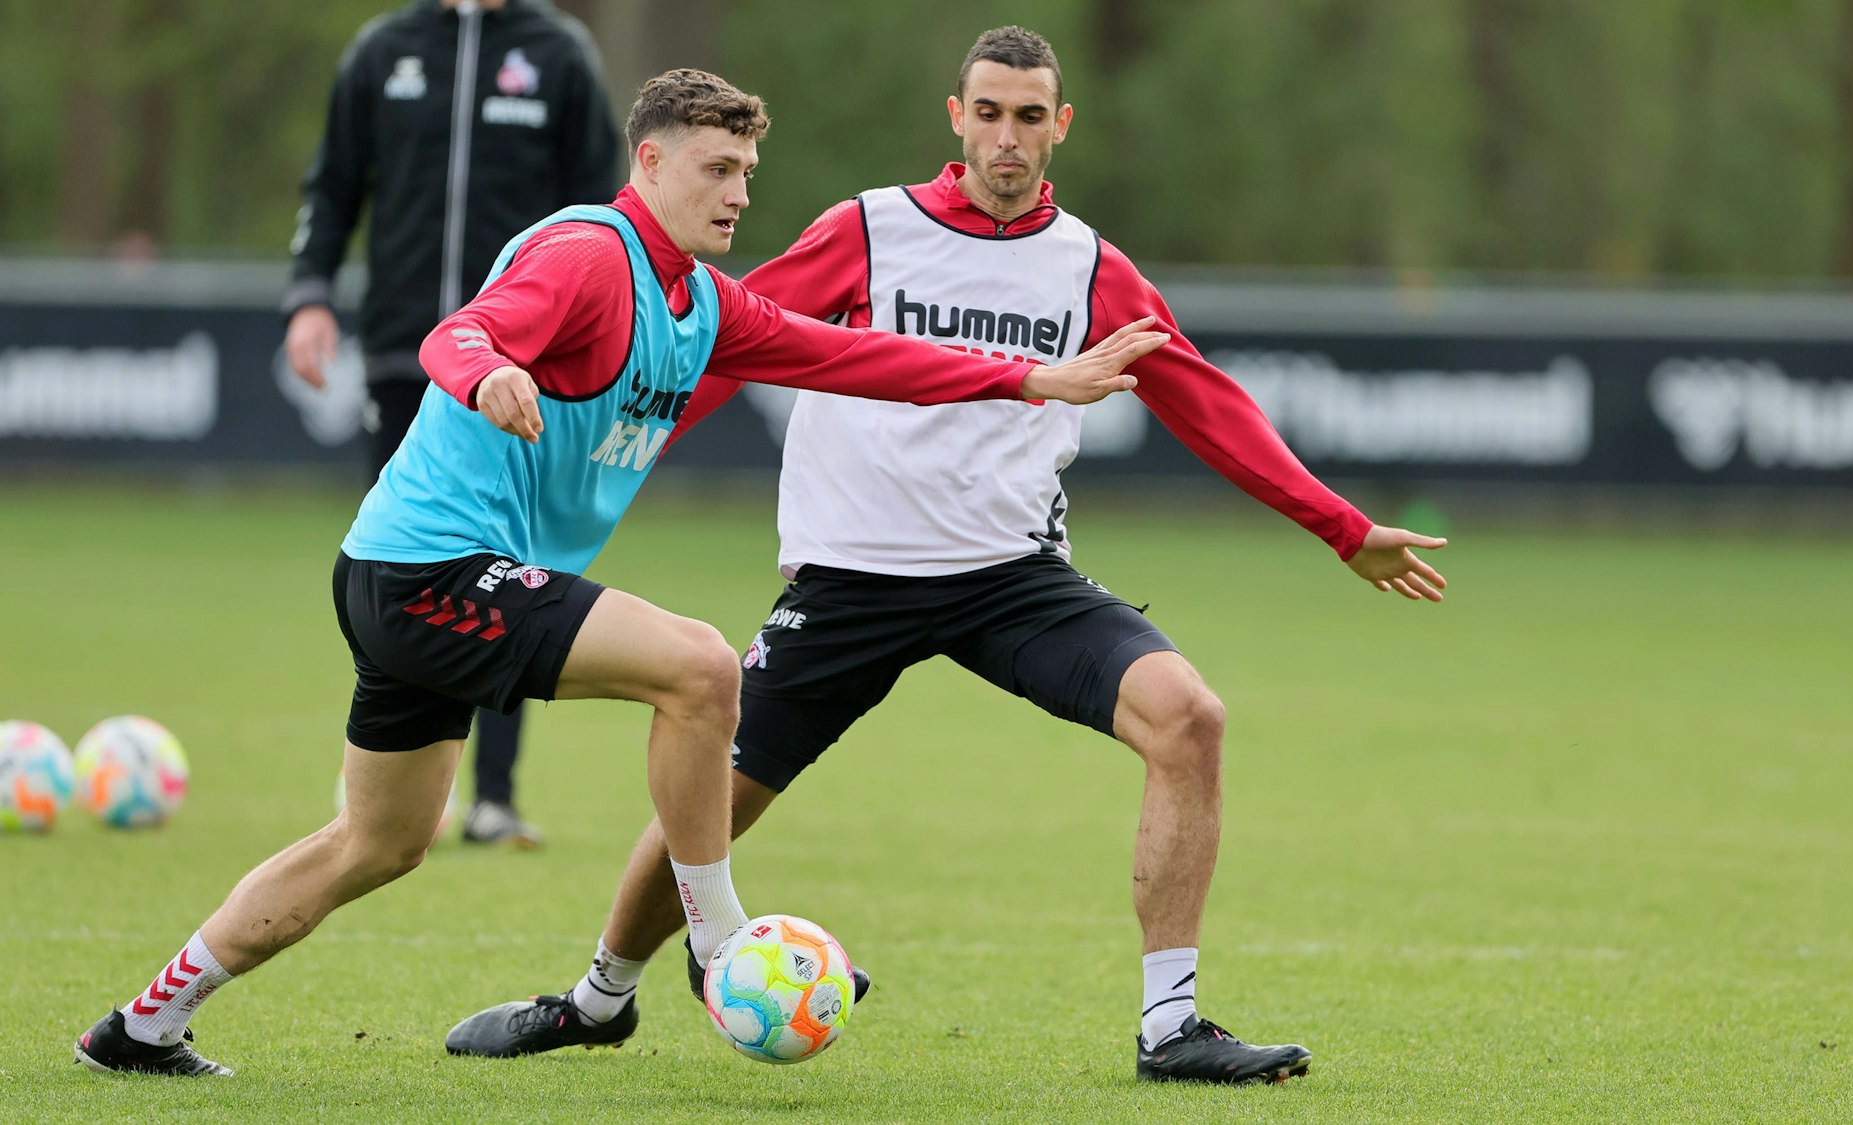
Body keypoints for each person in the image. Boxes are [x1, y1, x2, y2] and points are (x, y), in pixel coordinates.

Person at [72, 67, 1164, 1078]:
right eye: (714, 169)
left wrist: (1028, 381)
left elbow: (855, 355)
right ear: (649, 163)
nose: (737, 194)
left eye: (745, 173)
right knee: (697, 667)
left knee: (376, 844)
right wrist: (489, 370)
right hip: (432, 570)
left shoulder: (704, 300)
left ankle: (144, 1023)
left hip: (411, 581)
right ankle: (718, 937)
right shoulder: (592, 254)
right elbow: (461, 334)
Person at [447, 27, 1449, 1085]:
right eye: (987, 112)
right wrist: (577, 462)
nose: (1006, 137)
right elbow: (713, 348)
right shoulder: (868, 230)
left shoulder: (1091, 266)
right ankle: (600, 999)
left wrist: (1342, 527)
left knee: (1188, 717)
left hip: (1010, 580)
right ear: (955, 117)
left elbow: (1204, 402)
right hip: (850, 581)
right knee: (713, 802)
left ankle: (1170, 1027)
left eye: (1028, 116)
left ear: (1059, 126)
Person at [282, 0, 627, 846]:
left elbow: (608, 210)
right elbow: (333, 183)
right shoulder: (382, 51)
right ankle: (396, 780)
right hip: (407, 354)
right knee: (402, 567)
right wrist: (310, 293)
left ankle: (494, 796)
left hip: (526, 364)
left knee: (515, 571)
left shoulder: (559, 53)